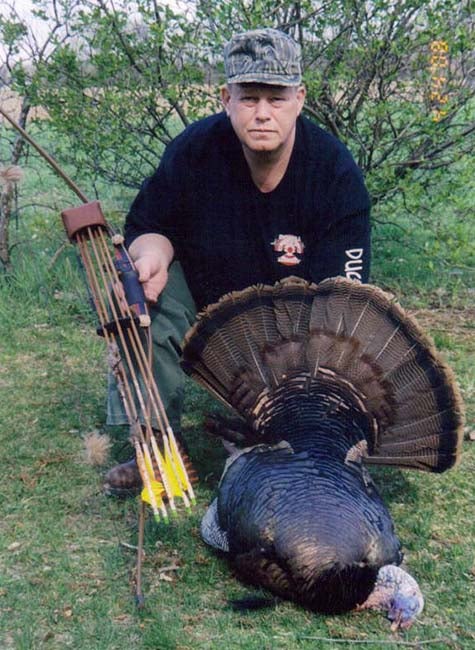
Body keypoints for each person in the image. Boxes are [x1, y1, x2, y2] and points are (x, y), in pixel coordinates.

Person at [104, 27, 371, 494]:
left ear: (300, 98)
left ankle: (302, 438)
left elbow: (341, 303)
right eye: (249, 98)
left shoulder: (334, 172)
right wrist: (150, 258)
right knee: (139, 296)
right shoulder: (194, 151)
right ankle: (156, 444)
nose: (263, 112)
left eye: (277, 97)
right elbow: (152, 226)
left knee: (333, 355)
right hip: (207, 301)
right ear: (225, 97)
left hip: (296, 325)